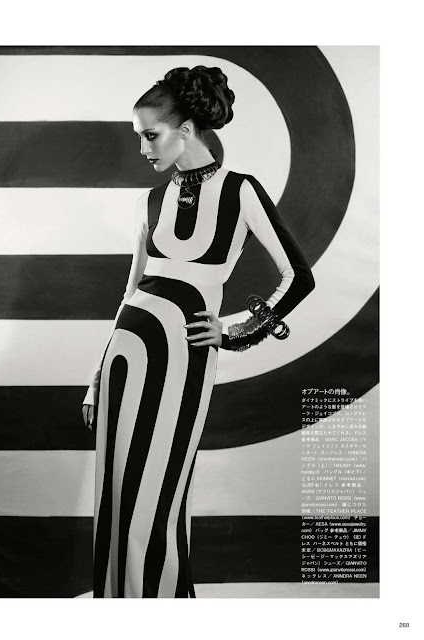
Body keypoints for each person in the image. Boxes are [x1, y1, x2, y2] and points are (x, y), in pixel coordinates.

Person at [81, 65, 315, 598]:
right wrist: (96, 377)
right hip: (124, 360)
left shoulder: (241, 190)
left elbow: (298, 277)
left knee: (158, 490)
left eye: (150, 135)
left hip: (181, 359)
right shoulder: (150, 201)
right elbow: (130, 291)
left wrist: (237, 331)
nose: (142, 148)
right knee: (117, 491)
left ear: (185, 129)